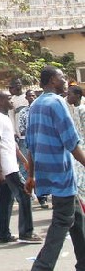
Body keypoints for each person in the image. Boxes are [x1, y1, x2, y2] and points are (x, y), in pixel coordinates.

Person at [25, 66, 85, 271]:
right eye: (62, 77)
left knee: (78, 220)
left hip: (46, 172)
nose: (66, 80)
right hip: (61, 173)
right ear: (52, 80)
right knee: (61, 222)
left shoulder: (35, 105)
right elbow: (72, 143)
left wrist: (31, 175)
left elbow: (30, 144)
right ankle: (41, 267)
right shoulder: (57, 102)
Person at [0, 90, 40, 244]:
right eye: (9, 98)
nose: (12, 101)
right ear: (0, 101)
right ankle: (26, 232)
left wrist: (25, 160)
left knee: (5, 200)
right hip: (7, 167)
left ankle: (3, 234)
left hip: (11, 164)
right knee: (25, 195)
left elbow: (13, 145)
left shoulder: (6, 118)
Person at [66, 84, 85, 207]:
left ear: (77, 95)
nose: (67, 96)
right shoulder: (73, 109)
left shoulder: (83, 110)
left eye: (69, 94)